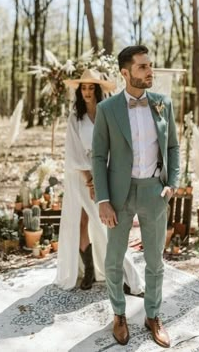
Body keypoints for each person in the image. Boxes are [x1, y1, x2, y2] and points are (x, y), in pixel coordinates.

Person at [92, 46, 180, 347]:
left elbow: (173, 148)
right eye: (143, 67)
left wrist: (173, 183)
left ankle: (152, 315)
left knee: (155, 261)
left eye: (150, 66)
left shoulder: (163, 103)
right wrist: (103, 200)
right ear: (125, 73)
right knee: (114, 260)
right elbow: (99, 156)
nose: (150, 72)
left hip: (155, 192)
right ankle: (119, 314)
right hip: (119, 194)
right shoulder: (107, 110)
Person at [55, 69, 145, 296]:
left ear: (97, 90)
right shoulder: (75, 117)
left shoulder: (107, 113)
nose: (86, 91)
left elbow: (114, 145)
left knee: (109, 224)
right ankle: (88, 271)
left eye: (91, 87)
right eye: (83, 87)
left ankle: (130, 279)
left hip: (104, 174)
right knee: (81, 221)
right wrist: (90, 180)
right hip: (81, 177)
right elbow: (74, 152)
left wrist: (104, 177)